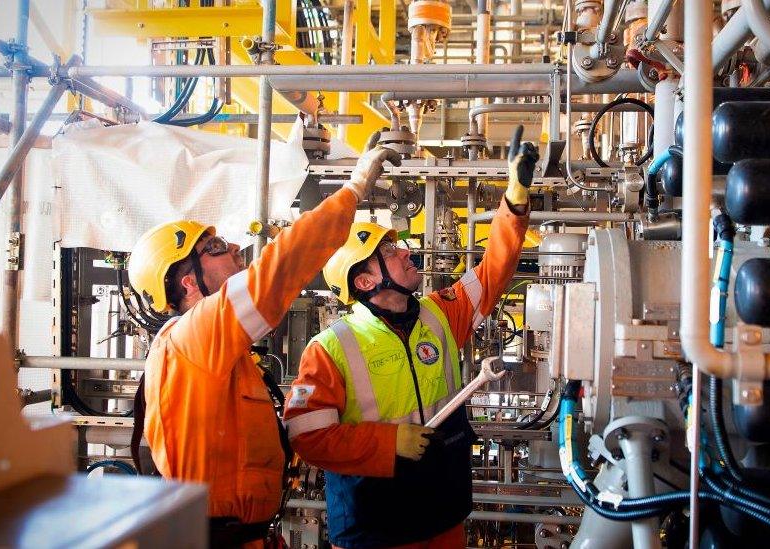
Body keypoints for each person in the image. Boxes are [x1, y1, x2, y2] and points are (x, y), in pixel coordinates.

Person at [125, 146, 402, 547]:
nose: (235, 249)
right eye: (216, 249)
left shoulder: (220, 353)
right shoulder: (188, 337)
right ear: (188, 282)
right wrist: (354, 190)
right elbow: (278, 270)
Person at [284, 127, 539, 549]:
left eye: (400, 245)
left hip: (440, 512)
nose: (406, 252)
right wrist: (388, 443)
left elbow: (494, 270)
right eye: (389, 252)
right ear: (363, 280)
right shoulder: (330, 349)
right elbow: (306, 437)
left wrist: (514, 198)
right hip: (375, 524)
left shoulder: (440, 314)